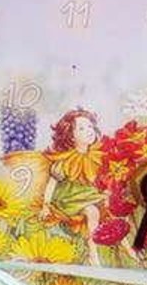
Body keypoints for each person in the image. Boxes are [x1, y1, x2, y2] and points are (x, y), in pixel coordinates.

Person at [40, 109, 106, 266]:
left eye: (90, 126)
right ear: (70, 136)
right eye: (81, 128)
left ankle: (131, 252)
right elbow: (52, 184)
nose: (89, 131)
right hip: (69, 200)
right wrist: (45, 206)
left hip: (89, 195)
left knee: (112, 210)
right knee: (92, 211)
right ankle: (93, 254)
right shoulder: (65, 159)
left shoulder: (97, 154)